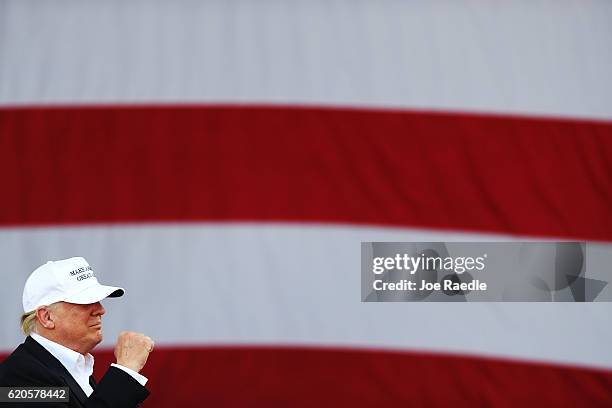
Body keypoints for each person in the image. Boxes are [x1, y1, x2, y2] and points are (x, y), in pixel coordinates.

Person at [0, 257, 154, 407]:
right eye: (85, 301)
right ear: (46, 317)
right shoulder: (18, 376)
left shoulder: (70, 367)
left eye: (98, 301)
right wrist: (125, 371)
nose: (101, 310)